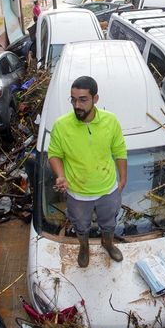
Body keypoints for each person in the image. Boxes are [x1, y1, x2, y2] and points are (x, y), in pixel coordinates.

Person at [47, 76, 127, 268]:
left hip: (108, 190)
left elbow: (119, 151)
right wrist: (60, 175)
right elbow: (54, 154)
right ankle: (84, 247)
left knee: (108, 223)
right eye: (73, 100)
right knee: (80, 226)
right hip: (77, 193)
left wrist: (122, 180)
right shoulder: (61, 125)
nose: (77, 105)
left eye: (83, 100)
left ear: (95, 99)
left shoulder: (111, 121)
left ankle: (107, 243)